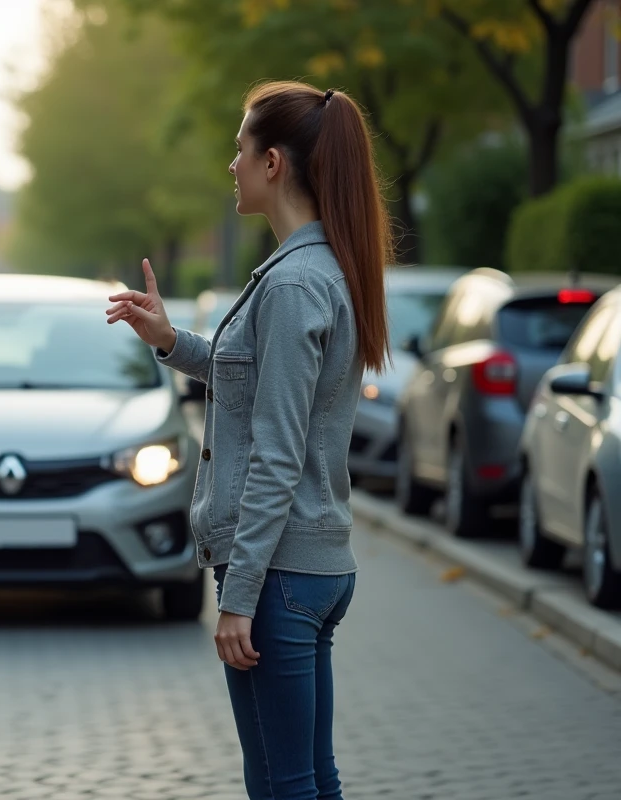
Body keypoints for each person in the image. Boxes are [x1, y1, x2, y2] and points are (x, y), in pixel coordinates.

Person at [105, 81, 391, 800]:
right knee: (308, 777)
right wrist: (172, 341)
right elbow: (258, 381)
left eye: (239, 150)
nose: (230, 165)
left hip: (280, 574)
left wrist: (241, 595)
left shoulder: (295, 283)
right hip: (310, 568)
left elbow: (277, 449)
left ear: (274, 164)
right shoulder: (322, 269)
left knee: (282, 784)